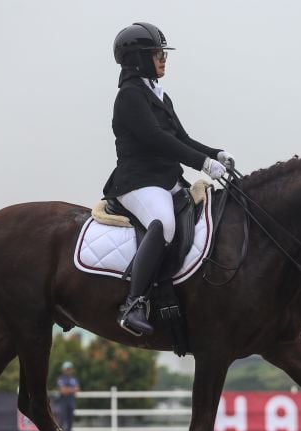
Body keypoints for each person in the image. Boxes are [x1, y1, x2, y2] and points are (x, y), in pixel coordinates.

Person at [103, 22, 234, 336]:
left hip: (166, 180)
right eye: (157, 53)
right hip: (137, 183)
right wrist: (202, 163)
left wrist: (215, 154)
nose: (163, 59)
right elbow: (155, 139)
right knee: (164, 223)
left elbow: (181, 138)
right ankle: (133, 304)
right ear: (138, 58)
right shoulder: (130, 96)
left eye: (162, 53)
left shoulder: (159, 95)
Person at [56, 361, 80, 431]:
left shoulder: (74, 379)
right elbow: (62, 391)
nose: (68, 371)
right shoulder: (60, 379)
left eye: (69, 369)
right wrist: (72, 390)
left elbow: (77, 389)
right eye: (67, 369)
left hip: (71, 402)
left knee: (70, 421)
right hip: (63, 402)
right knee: (61, 421)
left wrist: (67, 389)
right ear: (63, 370)